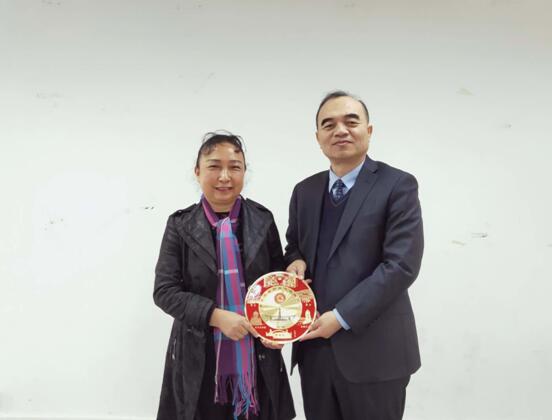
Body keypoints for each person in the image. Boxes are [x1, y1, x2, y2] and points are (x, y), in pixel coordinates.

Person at [285, 91, 424, 420]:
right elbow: (295, 245)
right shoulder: (304, 191)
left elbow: (401, 266)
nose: (340, 130)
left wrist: (341, 317)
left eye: (351, 121)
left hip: (376, 353)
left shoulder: (398, 185)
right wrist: (295, 261)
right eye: (328, 124)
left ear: (369, 130)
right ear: (318, 137)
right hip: (314, 351)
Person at [154, 132, 295, 420]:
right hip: (199, 355)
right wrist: (216, 317)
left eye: (234, 167)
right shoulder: (180, 225)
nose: (224, 177)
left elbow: (277, 284)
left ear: (244, 172)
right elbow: (164, 291)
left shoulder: (263, 219)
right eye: (214, 166)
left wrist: (278, 329)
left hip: (258, 354)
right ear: (197, 171)